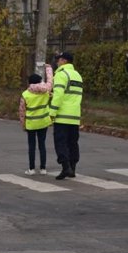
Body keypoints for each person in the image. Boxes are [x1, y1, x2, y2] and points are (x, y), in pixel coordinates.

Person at [49, 51, 83, 180]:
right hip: (75, 115)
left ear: (64, 61)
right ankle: (72, 168)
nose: (57, 62)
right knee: (73, 142)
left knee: (61, 142)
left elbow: (59, 95)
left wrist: (52, 113)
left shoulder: (61, 74)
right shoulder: (77, 75)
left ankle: (65, 167)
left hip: (62, 115)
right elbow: (72, 94)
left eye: (58, 60)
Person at [18, 64, 53, 175]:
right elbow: (50, 82)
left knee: (31, 146)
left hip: (31, 124)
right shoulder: (46, 92)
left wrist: (23, 125)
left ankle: (31, 169)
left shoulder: (25, 94)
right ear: (40, 82)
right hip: (43, 122)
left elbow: (22, 111)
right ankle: (43, 168)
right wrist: (48, 69)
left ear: (30, 83)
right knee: (42, 145)